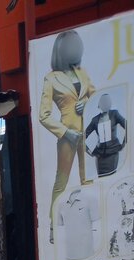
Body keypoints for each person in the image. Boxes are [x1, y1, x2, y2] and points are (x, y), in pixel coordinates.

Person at [38, 29, 95, 242]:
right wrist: (65, 132)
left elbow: (96, 93)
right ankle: (54, 227)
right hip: (67, 135)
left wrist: (87, 102)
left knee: (87, 179)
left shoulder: (82, 73)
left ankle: (91, 221)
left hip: (88, 131)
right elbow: (43, 115)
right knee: (61, 183)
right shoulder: (50, 78)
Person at [85, 93, 127, 178]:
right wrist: (90, 152)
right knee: (102, 178)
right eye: (103, 101)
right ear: (99, 104)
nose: (105, 103)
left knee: (112, 177)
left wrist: (123, 144)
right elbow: (81, 139)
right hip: (99, 156)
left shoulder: (115, 114)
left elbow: (129, 127)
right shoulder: (95, 120)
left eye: (107, 101)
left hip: (113, 153)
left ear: (110, 103)